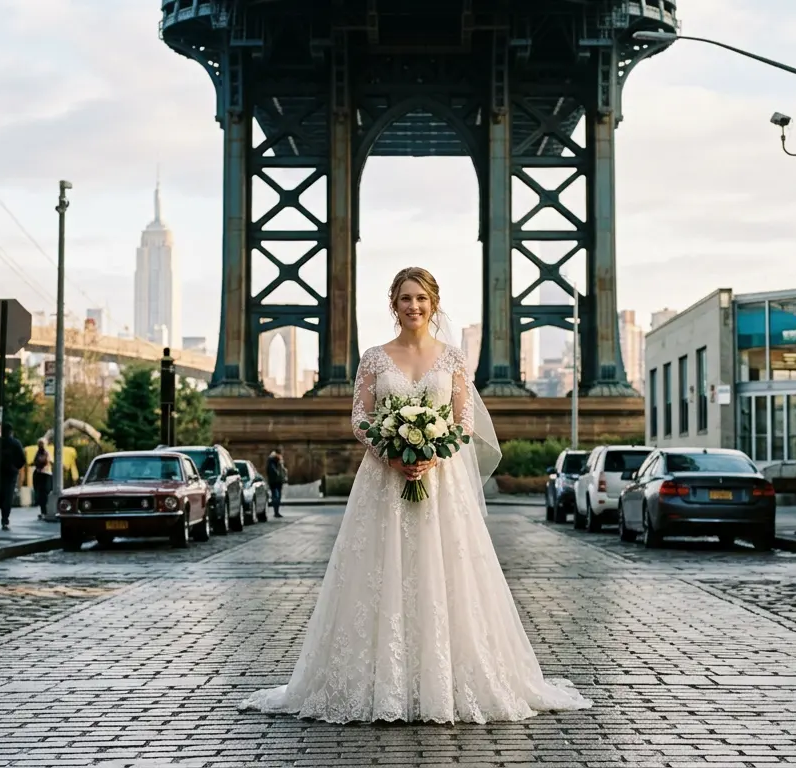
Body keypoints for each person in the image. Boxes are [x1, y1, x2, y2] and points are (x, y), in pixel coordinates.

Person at [238, 266, 592, 724]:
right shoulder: (374, 357)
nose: (414, 306)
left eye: (422, 298)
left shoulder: (452, 359)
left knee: (443, 573)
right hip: (383, 482)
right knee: (379, 572)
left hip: (440, 484)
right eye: (405, 298)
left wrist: (431, 453)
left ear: (434, 303)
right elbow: (360, 417)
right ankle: (383, 681)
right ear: (393, 304)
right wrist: (390, 450)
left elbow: (463, 422)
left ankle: (441, 680)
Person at [0, 424, 27, 529]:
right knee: (8, 497)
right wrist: (15, 467)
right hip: (10, 474)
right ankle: (5, 519)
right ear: (11, 432)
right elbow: (22, 460)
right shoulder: (16, 443)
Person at [32, 439, 53, 520]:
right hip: (39, 475)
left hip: (46, 475)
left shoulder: (46, 453)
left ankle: (46, 511)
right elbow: (35, 462)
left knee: (46, 493)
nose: (41, 446)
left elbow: (49, 461)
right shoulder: (38, 453)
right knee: (41, 494)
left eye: (42, 444)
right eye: (39, 444)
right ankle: (43, 512)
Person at [265, 447, 286, 518]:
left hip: (275, 480)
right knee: (276, 496)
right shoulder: (274, 459)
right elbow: (275, 470)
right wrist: (279, 474)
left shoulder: (272, 459)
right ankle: (276, 512)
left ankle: (276, 511)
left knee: (276, 495)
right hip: (276, 480)